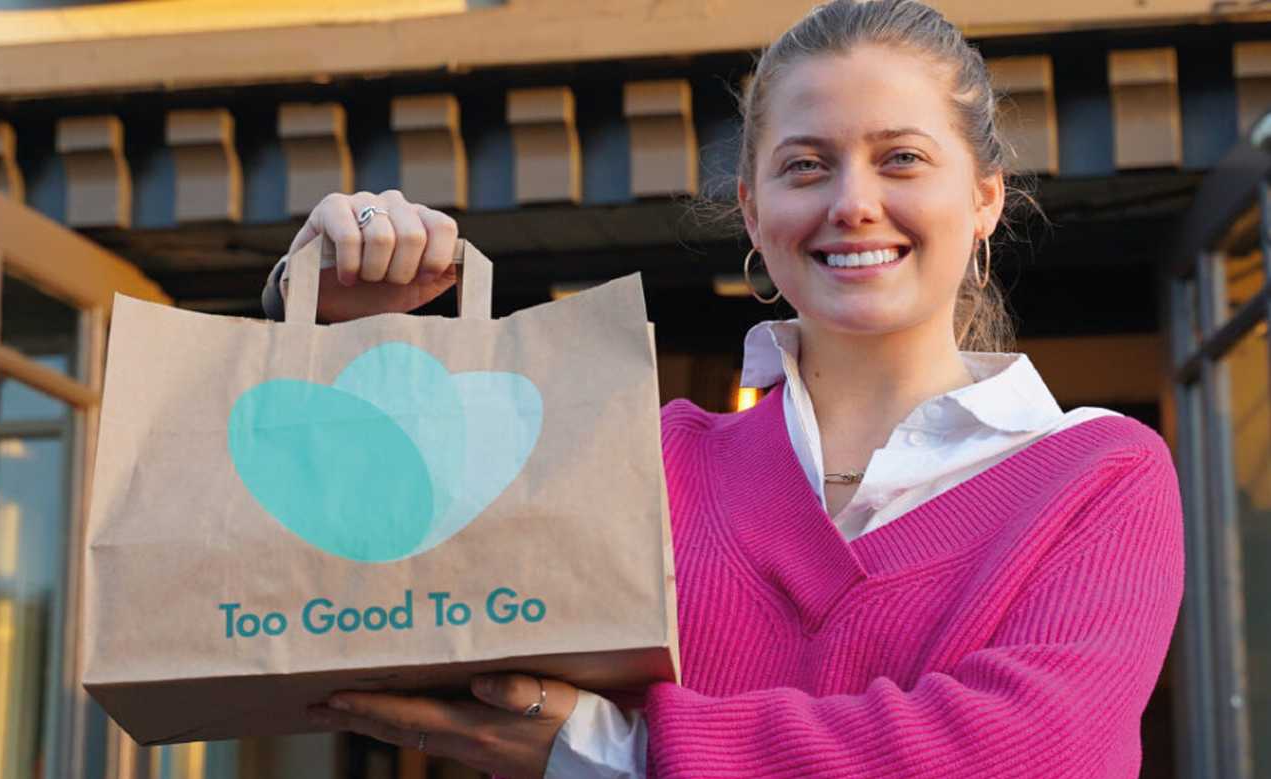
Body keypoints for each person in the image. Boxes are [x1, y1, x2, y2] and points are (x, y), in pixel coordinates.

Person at [264, 1, 1185, 776]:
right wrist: (339, 335)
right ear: (753, 209)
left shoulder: (1099, 475)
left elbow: (1027, 753)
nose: (852, 202)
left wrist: (625, 748)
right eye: (805, 165)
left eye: (901, 157)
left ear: (985, 196)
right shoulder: (648, 455)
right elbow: (368, 588)